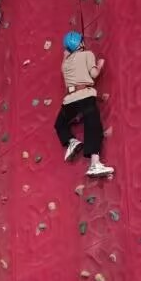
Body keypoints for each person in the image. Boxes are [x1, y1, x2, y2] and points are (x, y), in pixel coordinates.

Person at [54, 31, 114, 178]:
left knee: (59, 123)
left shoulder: (65, 64)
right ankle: (94, 163)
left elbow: (65, 60)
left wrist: (66, 54)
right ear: (80, 43)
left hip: (69, 101)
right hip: (85, 96)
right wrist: (99, 65)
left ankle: (71, 141)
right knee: (93, 125)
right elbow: (94, 74)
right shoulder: (87, 54)